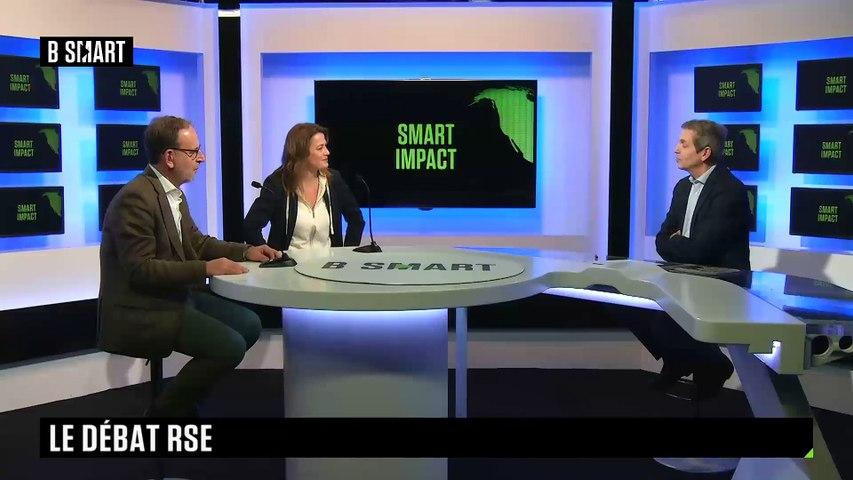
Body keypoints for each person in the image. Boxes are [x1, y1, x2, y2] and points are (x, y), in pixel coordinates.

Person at [98, 115, 281, 417]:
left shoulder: (174, 194)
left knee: (250, 324)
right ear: (170, 157)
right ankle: (163, 414)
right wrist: (206, 269)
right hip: (143, 306)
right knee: (229, 346)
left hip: (174, 295)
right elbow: (141, 270)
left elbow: (197, 242)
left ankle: (182, 403)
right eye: (194, 152)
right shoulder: (135, 198)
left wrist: (246, 251)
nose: (202, 158)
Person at [632, 119, 752, 400]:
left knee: (664, 308)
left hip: (721, 281)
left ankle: (711, 363)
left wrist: (677, 242)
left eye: (683, 144)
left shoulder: (729, 190)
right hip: (686, 273)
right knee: (628, 299)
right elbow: (662, 240)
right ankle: (680, 358)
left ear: (704, 152)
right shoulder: (682, 188)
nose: (676, 149)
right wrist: (676, 243)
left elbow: (700, 251)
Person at [243, 123, 364, 261]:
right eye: (320, 148)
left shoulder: (333, 180)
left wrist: (346, 255)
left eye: (325, 146)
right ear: (301, 152)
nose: (327, 152)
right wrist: (271, 256)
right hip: (288, 268)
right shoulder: (277, 183)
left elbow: (356, 220)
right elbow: (250, 227)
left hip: (329, 267)